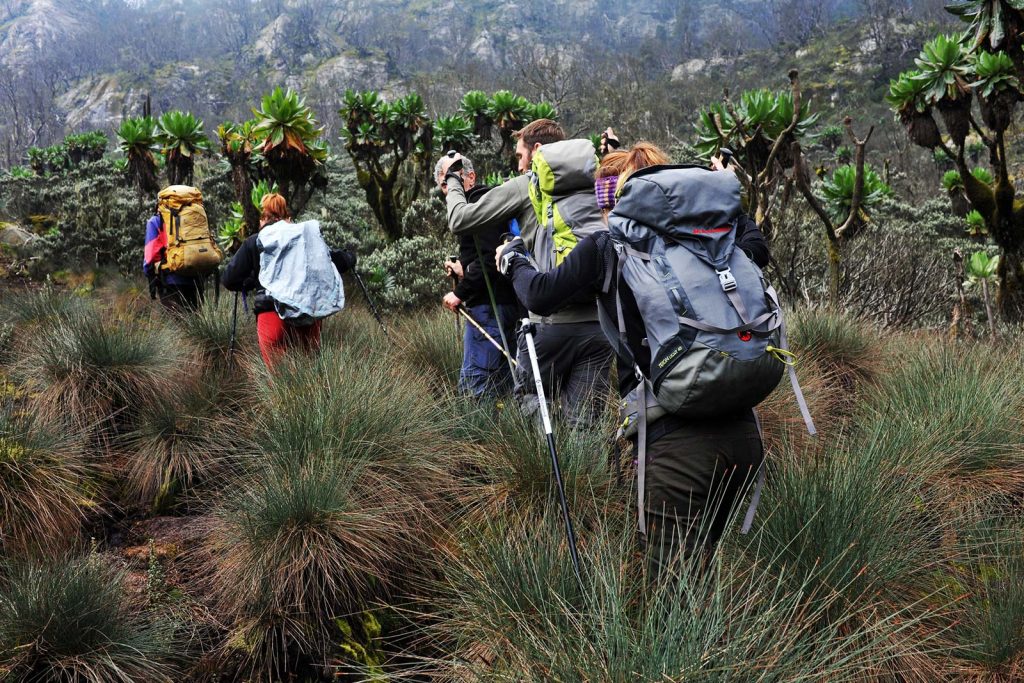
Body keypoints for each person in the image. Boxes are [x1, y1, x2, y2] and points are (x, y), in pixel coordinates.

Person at [497, 144, 769, 578]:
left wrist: (514, 260)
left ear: (618, 198)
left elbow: (540, 294)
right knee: (704, 571)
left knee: (670, 597)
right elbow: (757, 246)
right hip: (743, 434)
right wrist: (723, 196)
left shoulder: (609, 247)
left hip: (674, 445)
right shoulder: (717, 241)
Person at [441, 119, 613, 428]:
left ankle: (541, 474)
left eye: (520, 156)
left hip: (547, 324)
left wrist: (453, 181)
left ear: (536, 150)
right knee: (585, 424)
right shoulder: (597, 181)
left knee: (536, 408)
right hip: (600, 325)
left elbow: (461, 219)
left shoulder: (527, 184)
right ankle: (586, 476)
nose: (520, 166)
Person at [221, 193, 356, 369]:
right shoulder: (305, 238)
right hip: (307, 314)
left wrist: (252, 280)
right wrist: (350, 257)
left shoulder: (256, 241)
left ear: (263, 218)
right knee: (309, 375)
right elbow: (337, 261)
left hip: (271, 316)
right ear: (287, 217)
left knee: (277, 382)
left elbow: (229, 280)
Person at [435, 152, 519, 397]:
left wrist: (459, 293)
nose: (450, 189)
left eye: (454, 179)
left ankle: (475, 434)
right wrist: (463, 266)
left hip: (491, 308)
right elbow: (484, 254)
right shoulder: (486, 202)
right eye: (444, 184)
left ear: (470, 177)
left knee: (476, 383)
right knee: (505, 383)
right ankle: (505, 433)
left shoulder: (479, 203)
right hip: (508, 303)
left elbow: (491, 260)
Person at [143, 209, 204, 311]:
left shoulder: (155, 221)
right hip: (196, 280)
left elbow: (150, 257)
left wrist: (149, 273)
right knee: (195, 322)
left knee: (176, 324)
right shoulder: (195, 216)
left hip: (170, 282)